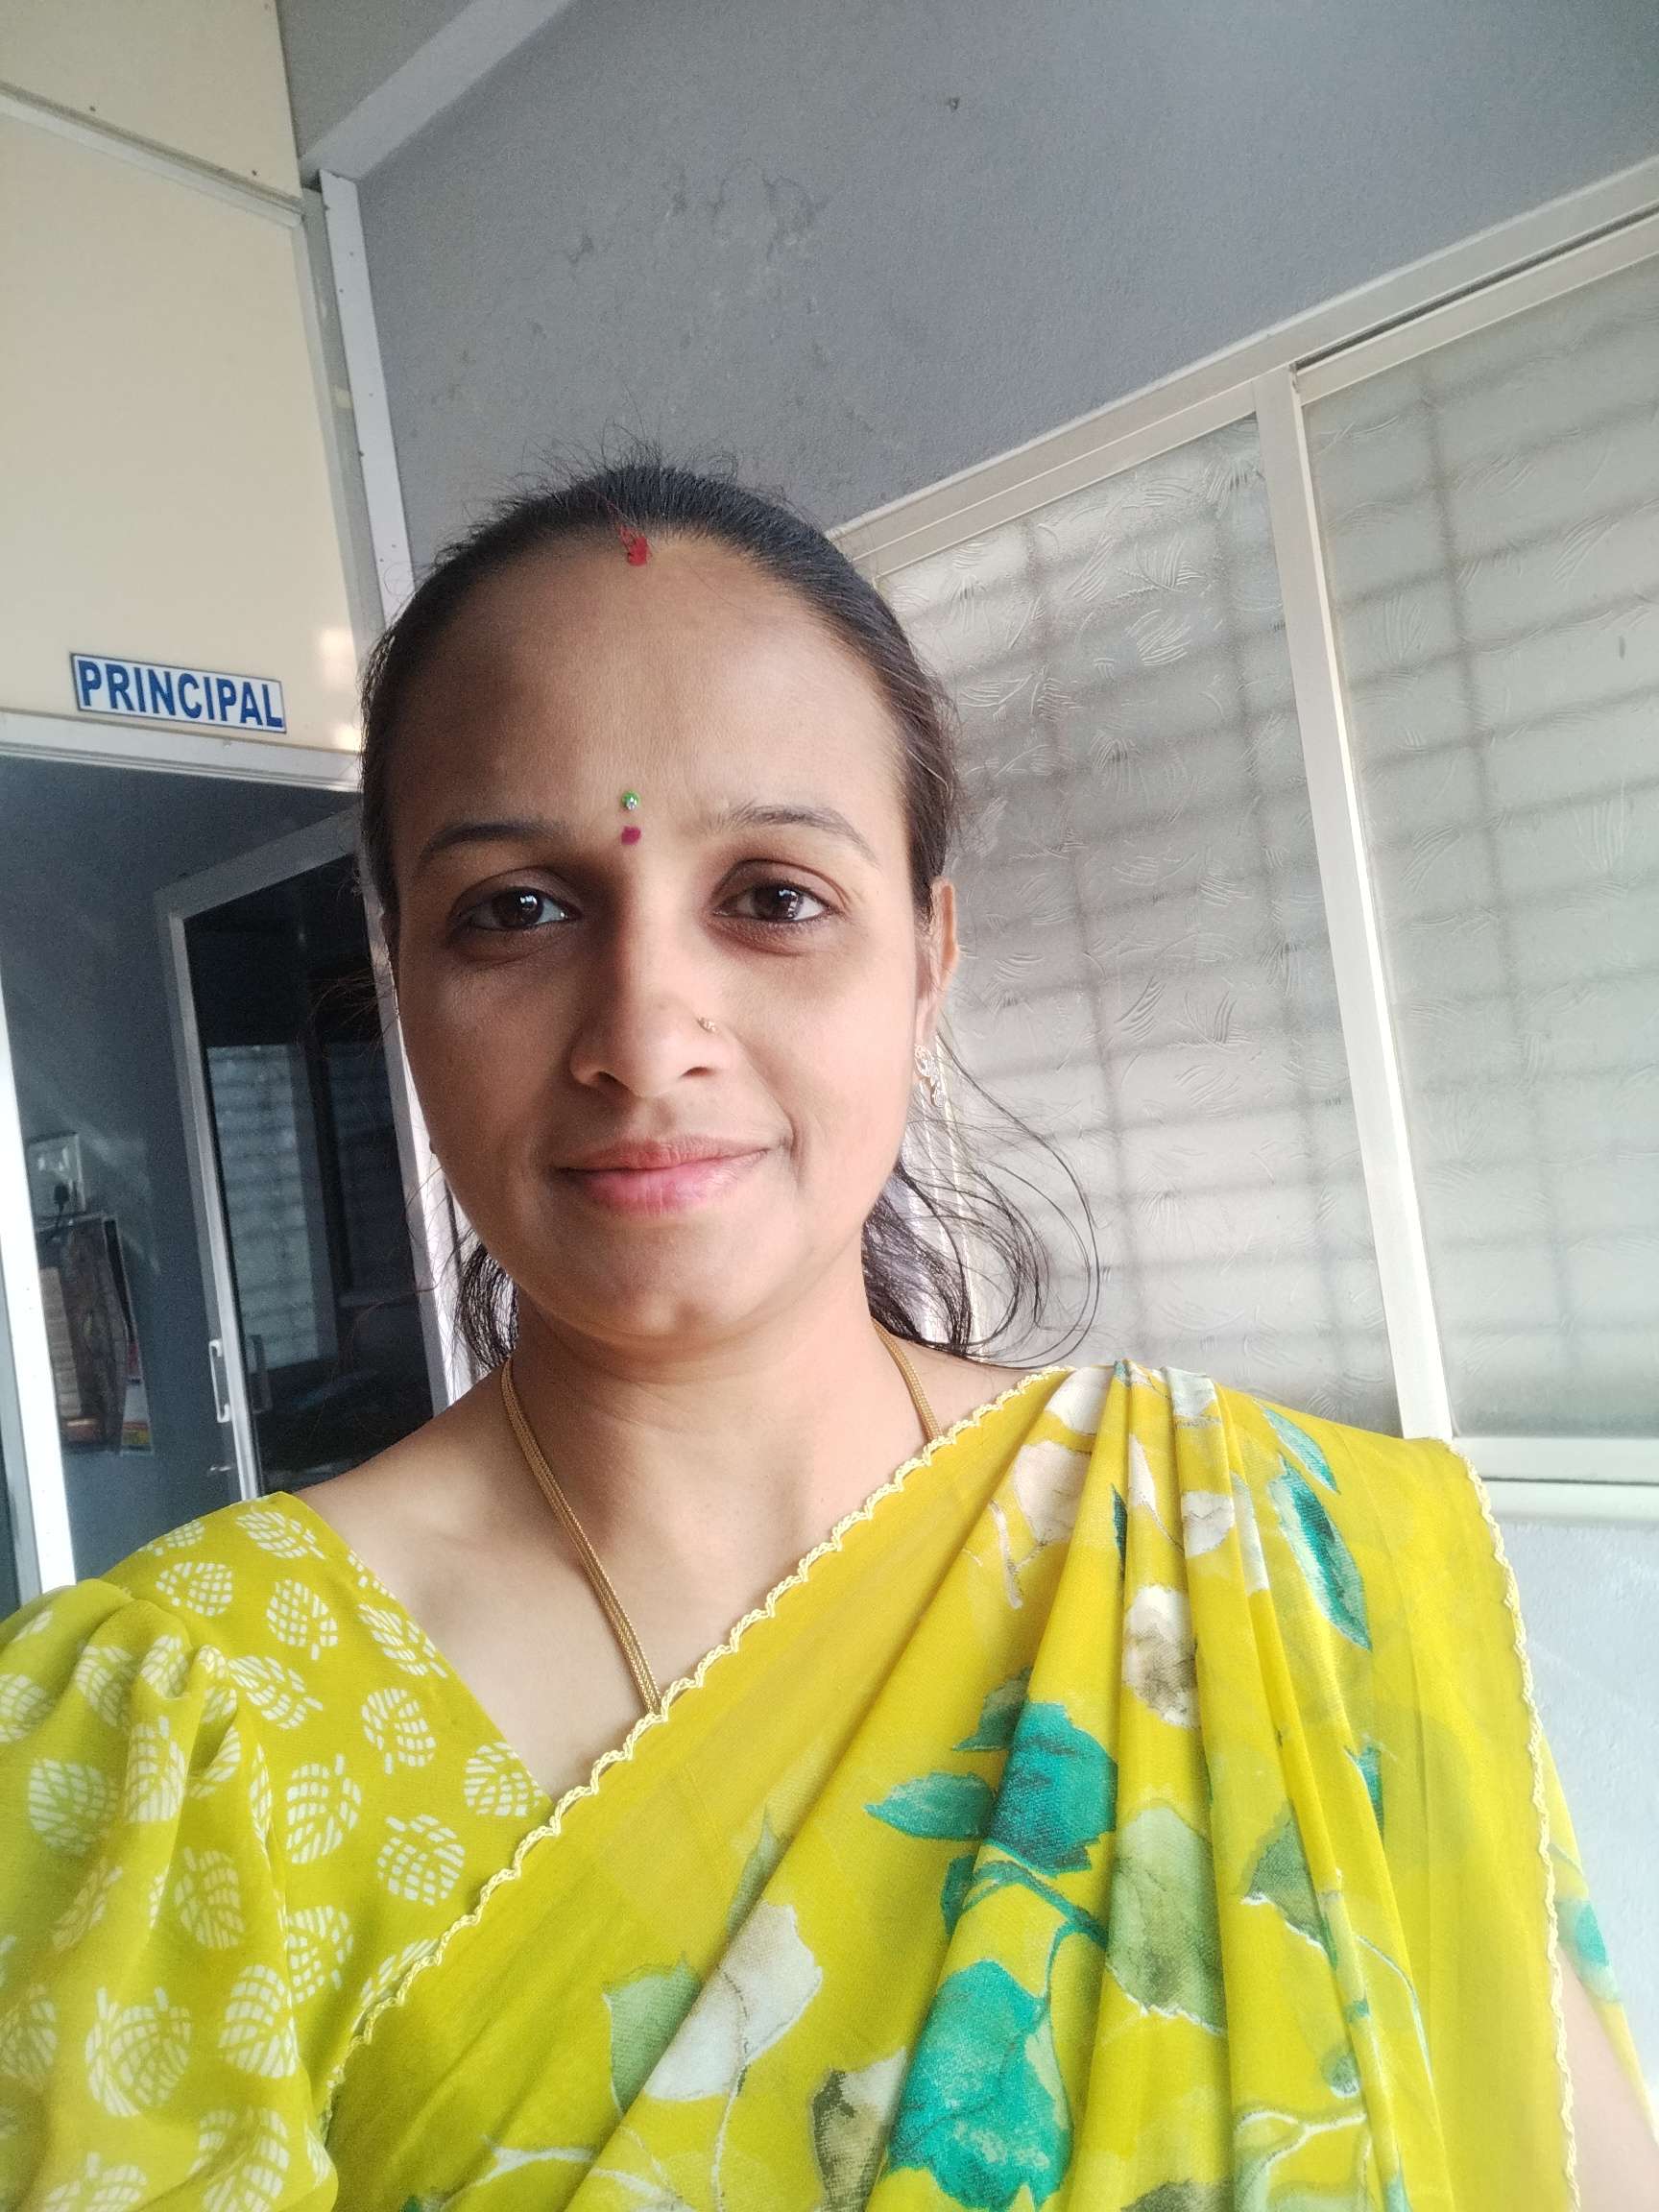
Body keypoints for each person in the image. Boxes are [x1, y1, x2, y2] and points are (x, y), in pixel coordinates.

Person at [0, 454, 1652, 2211]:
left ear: (928, 957)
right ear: (402, 980)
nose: (648, 1035)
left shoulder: (1291, 1570)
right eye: (518, 910)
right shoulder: (185, 1739)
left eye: (774, 897)